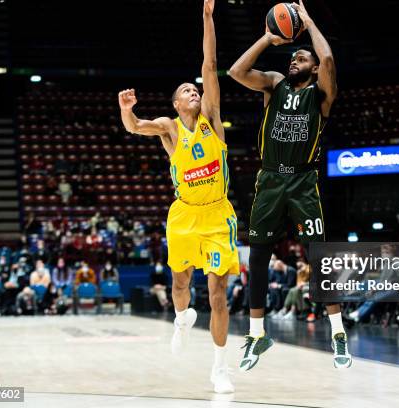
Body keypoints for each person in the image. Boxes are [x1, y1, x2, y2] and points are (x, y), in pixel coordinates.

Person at [118, 0, 237, 393]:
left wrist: (207, 17)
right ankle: (182, 318)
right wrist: (126, 109)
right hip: (184, 216)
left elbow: (209, 63)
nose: (194, 91)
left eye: (195, 89)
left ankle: (220, 368)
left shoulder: (213, 119)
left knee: (219, 294)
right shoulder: (169, 128)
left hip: (218, 216)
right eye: (186, 90)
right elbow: (135, 126)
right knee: (180, 283)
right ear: (175, 103)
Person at [229, 0, 351, 369]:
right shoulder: (274, 85)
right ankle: (256, 334)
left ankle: (338, 332)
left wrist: (310, 22)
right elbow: (236, 71)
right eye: (293, 56)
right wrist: (268, 38)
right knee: (260, 256)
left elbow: (328, 61)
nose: (294, 60)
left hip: (302, 179)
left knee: (318, 256)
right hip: (269, 178)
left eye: (302, 57)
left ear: (313, 68)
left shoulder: (321, 95)